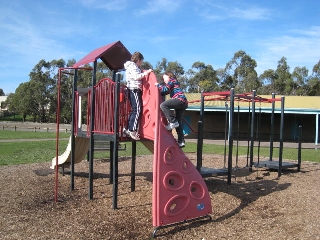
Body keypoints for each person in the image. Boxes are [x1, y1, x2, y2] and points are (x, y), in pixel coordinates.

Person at [123, 51, 153, 140]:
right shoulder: (133, 66)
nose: (141, 64)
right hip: (134, 89)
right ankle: (132, 130)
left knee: (134, 110)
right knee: (137, 109)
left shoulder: (131, 66)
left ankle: (127, 128)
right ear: (138, 60)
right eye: (141, 61)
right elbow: (136, 77)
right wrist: (147, 72)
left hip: (131, 89)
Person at [155, 71, 188, 148]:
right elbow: (164, 92)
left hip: (179, 99)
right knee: (179, 122)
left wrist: (157, 85)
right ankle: (181, 141)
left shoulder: (172, 80)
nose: (164, 80)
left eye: (164, 78)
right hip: (184, 103)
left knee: (163, 105)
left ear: (169, 76)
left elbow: (165, 89)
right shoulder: (174, 83)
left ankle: (172, 122)